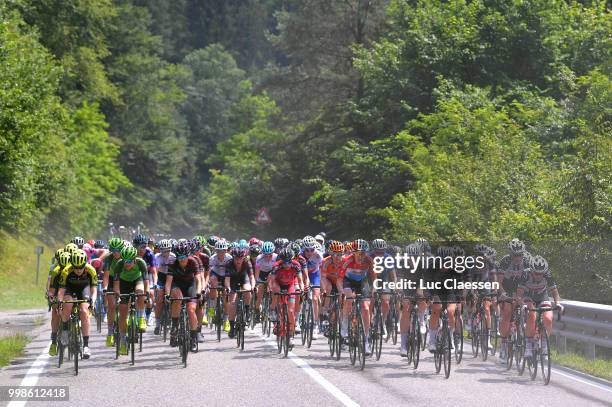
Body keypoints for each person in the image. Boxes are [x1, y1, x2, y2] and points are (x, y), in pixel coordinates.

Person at [517, 255, 563, 358]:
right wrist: (522, 305)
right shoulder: (525, 274)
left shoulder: (548, 274)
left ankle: (544, 343)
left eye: (540, 274)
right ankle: (528, 345)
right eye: (536, 273)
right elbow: (519, 294)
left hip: (542, 296)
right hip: (528, 296)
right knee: (531, 315)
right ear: (531, 270)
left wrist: (558, 303)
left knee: (548, 318)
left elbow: (555, 292)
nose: (538, 276)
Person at [57, 249, 97, 359]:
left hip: (84, 288)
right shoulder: (66, 271)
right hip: (70, 289)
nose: (78, 270)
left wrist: (93, 301)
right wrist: (60, 301)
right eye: (76, 267)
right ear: (72, 265)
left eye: (81, 267)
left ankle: (86, 346)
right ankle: (65, 330)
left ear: (85, 264)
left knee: (84, 311)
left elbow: (94, 289)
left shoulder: (91, 270)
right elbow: (61, 290)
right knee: (67, 306)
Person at [112, 246, 148, 355]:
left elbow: (146, 281)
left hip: (137, 280)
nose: (127, 263)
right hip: (123, 283)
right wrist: (118, 294)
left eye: (130, 261)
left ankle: (141, 317)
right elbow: (116, 285)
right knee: (122, 313)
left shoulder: (141, 263)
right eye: (125, 261)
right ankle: (123, 341)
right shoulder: (119, 264)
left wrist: (146, 294)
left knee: (140, 292)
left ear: (135, 260)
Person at [166, 241, 202, 351]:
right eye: (180, 257)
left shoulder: (193, 261)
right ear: (176, 256)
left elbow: (198, 280)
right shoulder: (172, 263)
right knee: (177, 298)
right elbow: (168, 283)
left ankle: (193, 338)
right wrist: (167, 294)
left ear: (188, 255)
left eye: (185, 256)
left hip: (190, 285)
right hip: (177, 285)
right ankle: (175, 326)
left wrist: (199, 292)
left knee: (191, 310)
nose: (182, 259)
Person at [270, 248, 305, 348]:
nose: (286, 265)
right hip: (278, 283)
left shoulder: (296, 265)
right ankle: (274, 311)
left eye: (289, 262)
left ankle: (291, 335)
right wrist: (272, 289)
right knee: (275, 290)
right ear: (281, 260)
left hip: (290, 285)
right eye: (284, 262)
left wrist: (302, 290)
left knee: (290, 311)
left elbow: (300, 280)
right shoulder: (276, 266)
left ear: (292, 260)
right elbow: (272, 281)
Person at [224, 246, 255, 338]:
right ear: (233, 257)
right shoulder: (229, 263)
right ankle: (232, 327)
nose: (238, 260)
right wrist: (228, 288)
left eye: (241, 258)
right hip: (233, 281)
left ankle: (247, 310)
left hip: (243, 279)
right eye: (236, 258)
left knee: (247, 289)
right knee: (232, 303)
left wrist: (253, 287)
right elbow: (227, 279)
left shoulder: (247, 263)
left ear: (244, 257)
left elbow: (252, 277)